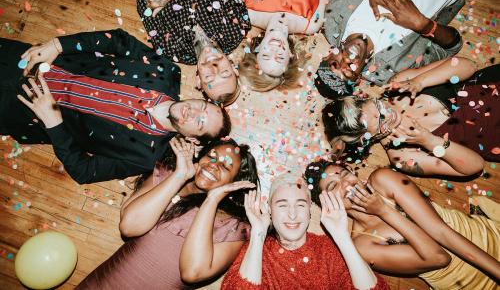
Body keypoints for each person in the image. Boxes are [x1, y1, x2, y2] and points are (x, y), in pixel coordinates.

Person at [0, 29, 231, 184]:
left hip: (17, 112)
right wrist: (58, 45)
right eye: (203, 106)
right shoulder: (167, 71)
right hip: (26, 61)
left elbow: (84, 171)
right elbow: (117, 39)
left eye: (200, 122)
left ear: (192, 139)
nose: (194, 112)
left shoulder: (145, 157)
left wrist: (54, 124)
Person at [77, 137, 260, 289]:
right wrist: (180, 175)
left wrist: (212, 200)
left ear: (235, 183)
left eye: (226, 167)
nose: (213, 165)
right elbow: (128, 226)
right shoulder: (167, 177)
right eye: (211, 156)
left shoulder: (234, 228)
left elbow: (192, 273)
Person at [315, 0, 499, 99]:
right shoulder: (394, 69)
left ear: (328, 54)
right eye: (348, 71)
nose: (346, 61)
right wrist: (423, 25)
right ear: (358, 78)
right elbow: (452, 46)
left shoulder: (333, 17)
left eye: (335, 64)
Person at [304, 161, 500, 289]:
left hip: (489, 239)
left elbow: (442, 232)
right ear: (327, 203)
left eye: (344, 174)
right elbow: (439, 258)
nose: (346, 184)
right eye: (333, 186)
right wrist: (384, 211)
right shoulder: (364, 244)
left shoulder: (383, 180)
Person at [322, 57, 499, 177]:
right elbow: (475, 166)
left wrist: (419, 81)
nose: (388, 114)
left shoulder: (399, 83)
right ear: (366, 139)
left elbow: (469, 66)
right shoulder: (402, 157)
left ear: (365, 99)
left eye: (379, 106)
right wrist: (429, 141)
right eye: (381, 122)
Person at [221, 176, 389, 289]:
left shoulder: (327, 249)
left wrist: (342, 237)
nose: (292, 214)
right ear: (270, 210)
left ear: (310, 211)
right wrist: (258, 234)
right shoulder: (255, 252)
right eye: (282, 205)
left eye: (300, 204)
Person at [126, 0, 251, 105]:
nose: (213, 67)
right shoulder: (238, 27)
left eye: (209, 78)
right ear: (235, 69)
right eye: (225, 73)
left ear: (198, 81)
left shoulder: (169, 49)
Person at [237, 0, 337, 92]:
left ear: (257, 50)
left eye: (266, 55)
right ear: (290, 55)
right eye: (280, 57)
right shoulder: (311, 24)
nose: (275, 49)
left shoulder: (248, 13)